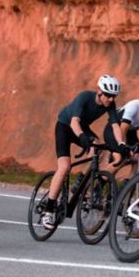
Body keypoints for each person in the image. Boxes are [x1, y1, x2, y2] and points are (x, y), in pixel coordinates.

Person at [38, 75, 128, 230]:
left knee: (99, 150)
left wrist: (121, 143)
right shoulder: (85, 97)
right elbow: (74, 122)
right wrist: (81, 136)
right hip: (65, 127)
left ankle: (81, 179)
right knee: (65, 167)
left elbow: (115, 126)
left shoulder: (110, 104)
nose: (111, 99)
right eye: (107, 95)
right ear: (99, 91)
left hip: (82, 128)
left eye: (114, 96)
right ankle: (48, 210)